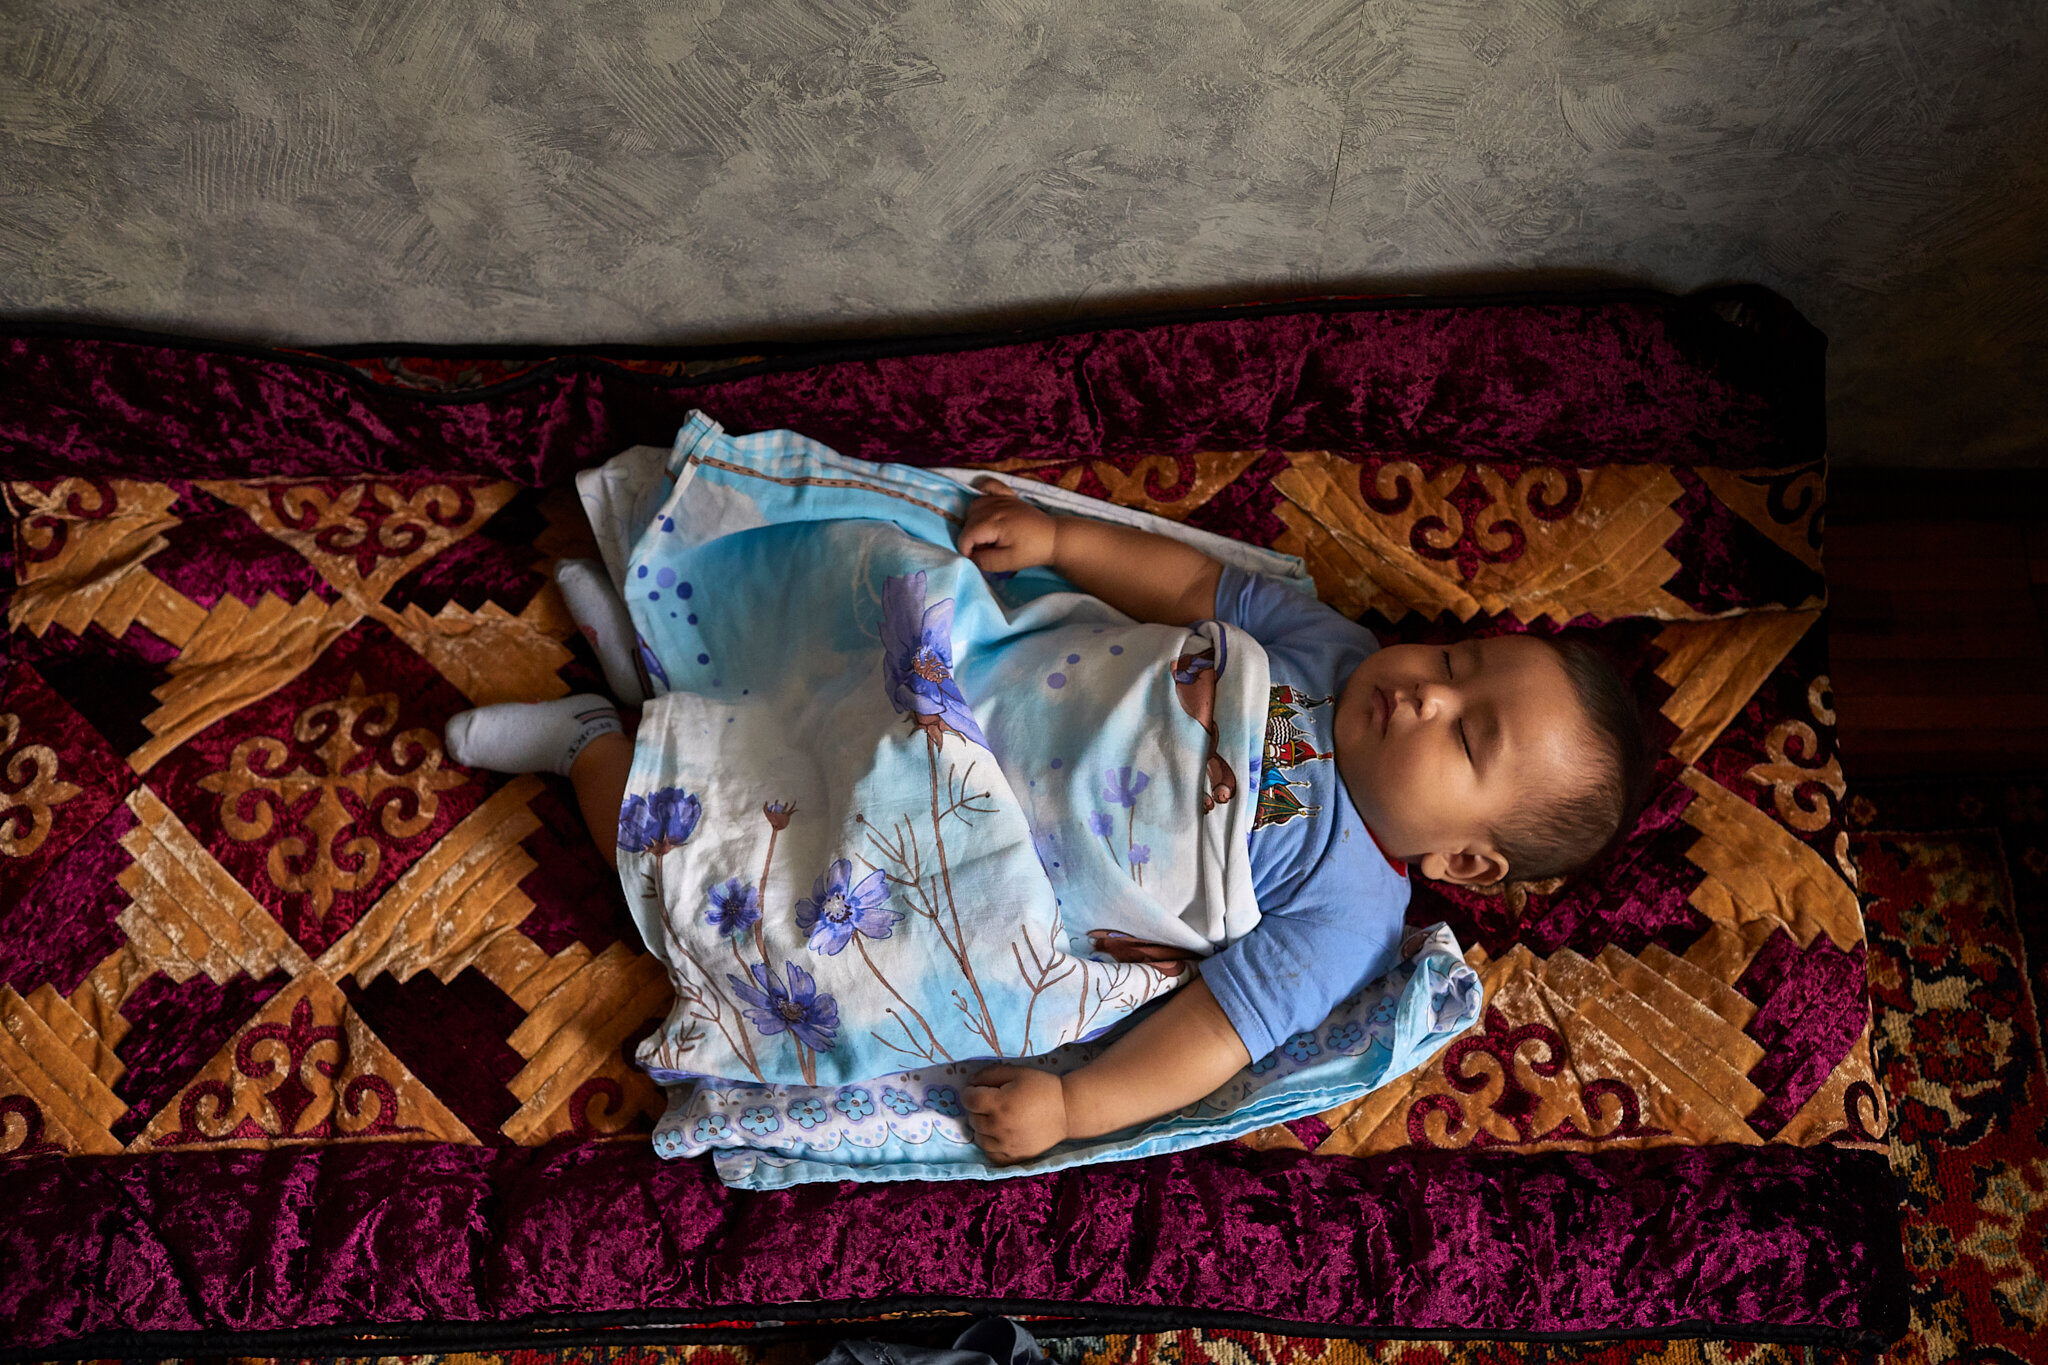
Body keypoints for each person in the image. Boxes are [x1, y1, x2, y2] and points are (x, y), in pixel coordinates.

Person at [446, 476, 1647, 1167]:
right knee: (813, 649)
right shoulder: (1323, 644)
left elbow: (1214, 1034)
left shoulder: (1347, 907)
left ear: (1467, 862)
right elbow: (1186, 587)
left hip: (931, 859)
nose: (1428, 690)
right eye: (1455, 654)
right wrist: (1069, 543)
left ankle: (589, 745)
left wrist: (1079, 1106)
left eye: (1465, 735)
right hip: (937, 690)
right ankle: (648, 670)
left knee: (725, 892)